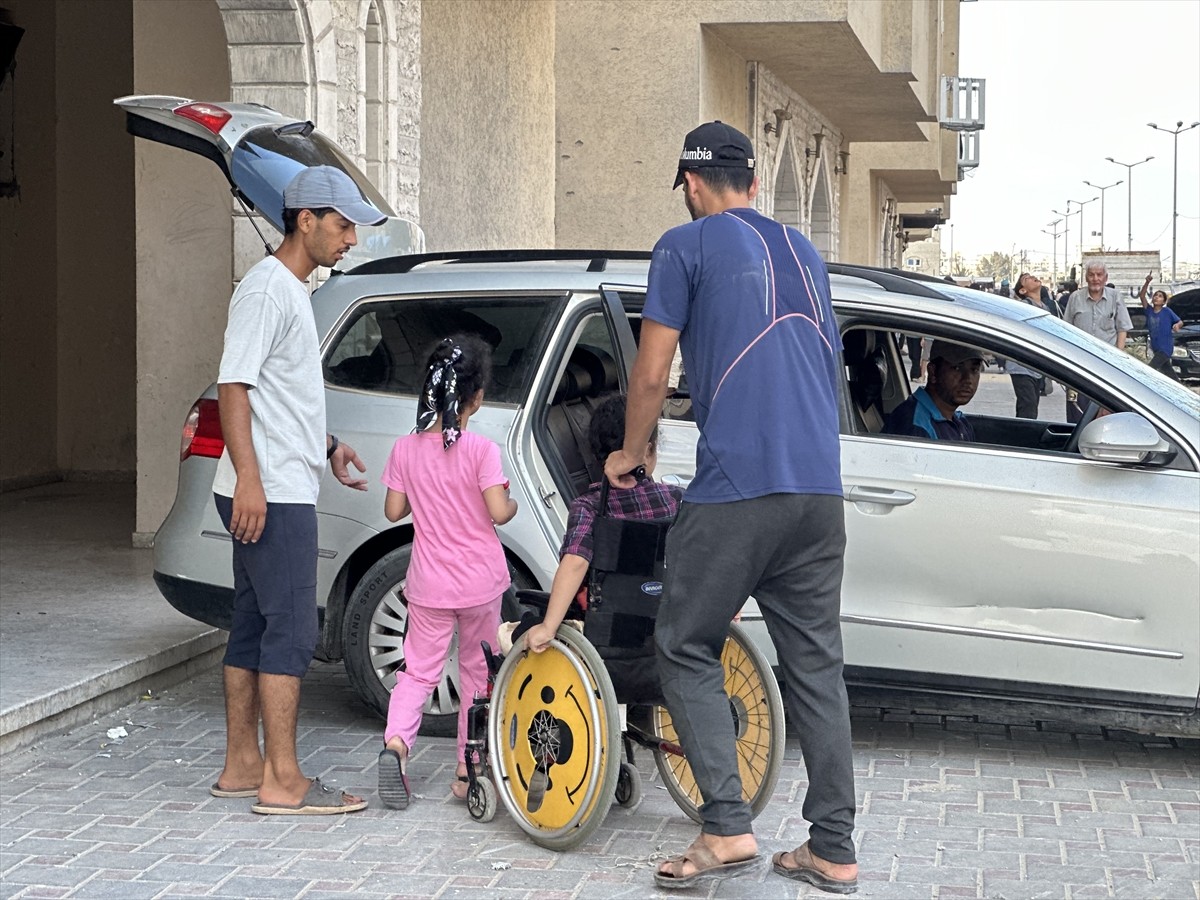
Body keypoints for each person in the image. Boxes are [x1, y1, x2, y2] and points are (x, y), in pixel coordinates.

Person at [604, 121, 858, 893]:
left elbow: (651, 374)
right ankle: (834, 848)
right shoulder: (804, 251)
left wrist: (630, 450)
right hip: (818, 492)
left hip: (737, 488)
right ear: (752, 181)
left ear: (690, 183)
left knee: (682, 643)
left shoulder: (685, 246)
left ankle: (724, 829)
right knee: (816, 665)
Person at [211, 165, 379, 815]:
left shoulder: (290, 290)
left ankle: (243, 765)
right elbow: (234, 386)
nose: (350, 241)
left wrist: (328, 445)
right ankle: (284, 782)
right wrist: (252, 479)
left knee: (253, 626)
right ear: (304, 220)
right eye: (342, 226)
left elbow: (280, 396)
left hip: (276, 478)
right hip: (269, 491)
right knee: (288, 634)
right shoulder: (265, 291)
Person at [376, 335, 518, 810]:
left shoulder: (406, 449)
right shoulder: (481, 450)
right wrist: (511, 499)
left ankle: (396, 745)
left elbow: (393, 510)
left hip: (428, 583)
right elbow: (499, 513)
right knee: (478, 674)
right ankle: (467, 771)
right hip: (480, 583)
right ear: (475, 398)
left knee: (418, 671)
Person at [523, 393, 682, 655]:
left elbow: (575, 563)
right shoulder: (676, 500)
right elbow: (707, 553)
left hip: (612, 643)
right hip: (672, 634)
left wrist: (548, 627)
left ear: (599, 457)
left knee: (524, 629)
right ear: (649, 450)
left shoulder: (589, 508)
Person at [1063, 263, 1132, 421]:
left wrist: (1119, 357)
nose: (1095, 279)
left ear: (1105, 278)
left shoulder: (1115, 297)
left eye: (1099, 275)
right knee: (1077, 412)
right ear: (1086, 277)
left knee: (1105, 413)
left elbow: (1123, 328)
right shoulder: (1075, 298)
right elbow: (1066, 329)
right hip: (1079, 364)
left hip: (1107, 366)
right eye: (1091, 275)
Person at [883, 341, 984, 441]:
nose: (968, 380)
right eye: (957, 368)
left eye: (974, 370)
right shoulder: (916, 428)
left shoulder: (957, 420)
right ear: (932, 372)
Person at [1007, 273, 1061, 418]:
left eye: (1032, 276)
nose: (1033, 277)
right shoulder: (1023, 307)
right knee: (1028, 406)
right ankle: (1024, 437)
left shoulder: (1044, 307)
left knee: (1031, 406)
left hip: (1035, 366)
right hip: (1021, 365)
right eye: (1027, 279)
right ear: (1023, 291)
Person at [1139, 273, 1183, 380]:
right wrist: (1147, 282)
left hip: (1165, 348)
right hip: (1156, 348)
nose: (1156, 297)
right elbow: (1142, 296)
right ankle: (1180, 388)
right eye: (1155, 295)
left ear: (1163, 301)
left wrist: (1177, 326)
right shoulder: (1149, 311)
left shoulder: (1167, 311)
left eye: (1159, 296)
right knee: (1169, 374)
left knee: (1150, 370)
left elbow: (1180, 321)